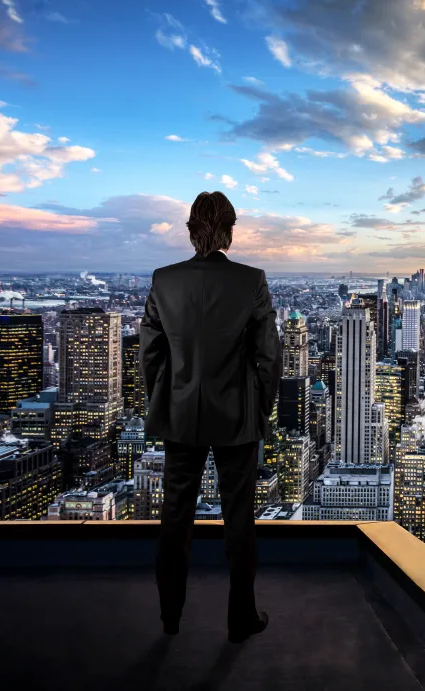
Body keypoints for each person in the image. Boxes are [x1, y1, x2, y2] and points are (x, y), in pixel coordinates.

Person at [140, 191, 281, 642]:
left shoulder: (165, 280)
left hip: (180, 413)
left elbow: (149, 353)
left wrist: (164, 399)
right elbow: (269, 356)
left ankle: (169, 618)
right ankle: (241, 618)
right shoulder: (250, 280)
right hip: (237, 415)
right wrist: (260, 409)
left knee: (174, 513)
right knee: (239, 517)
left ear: (190, 228)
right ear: (230, 228)